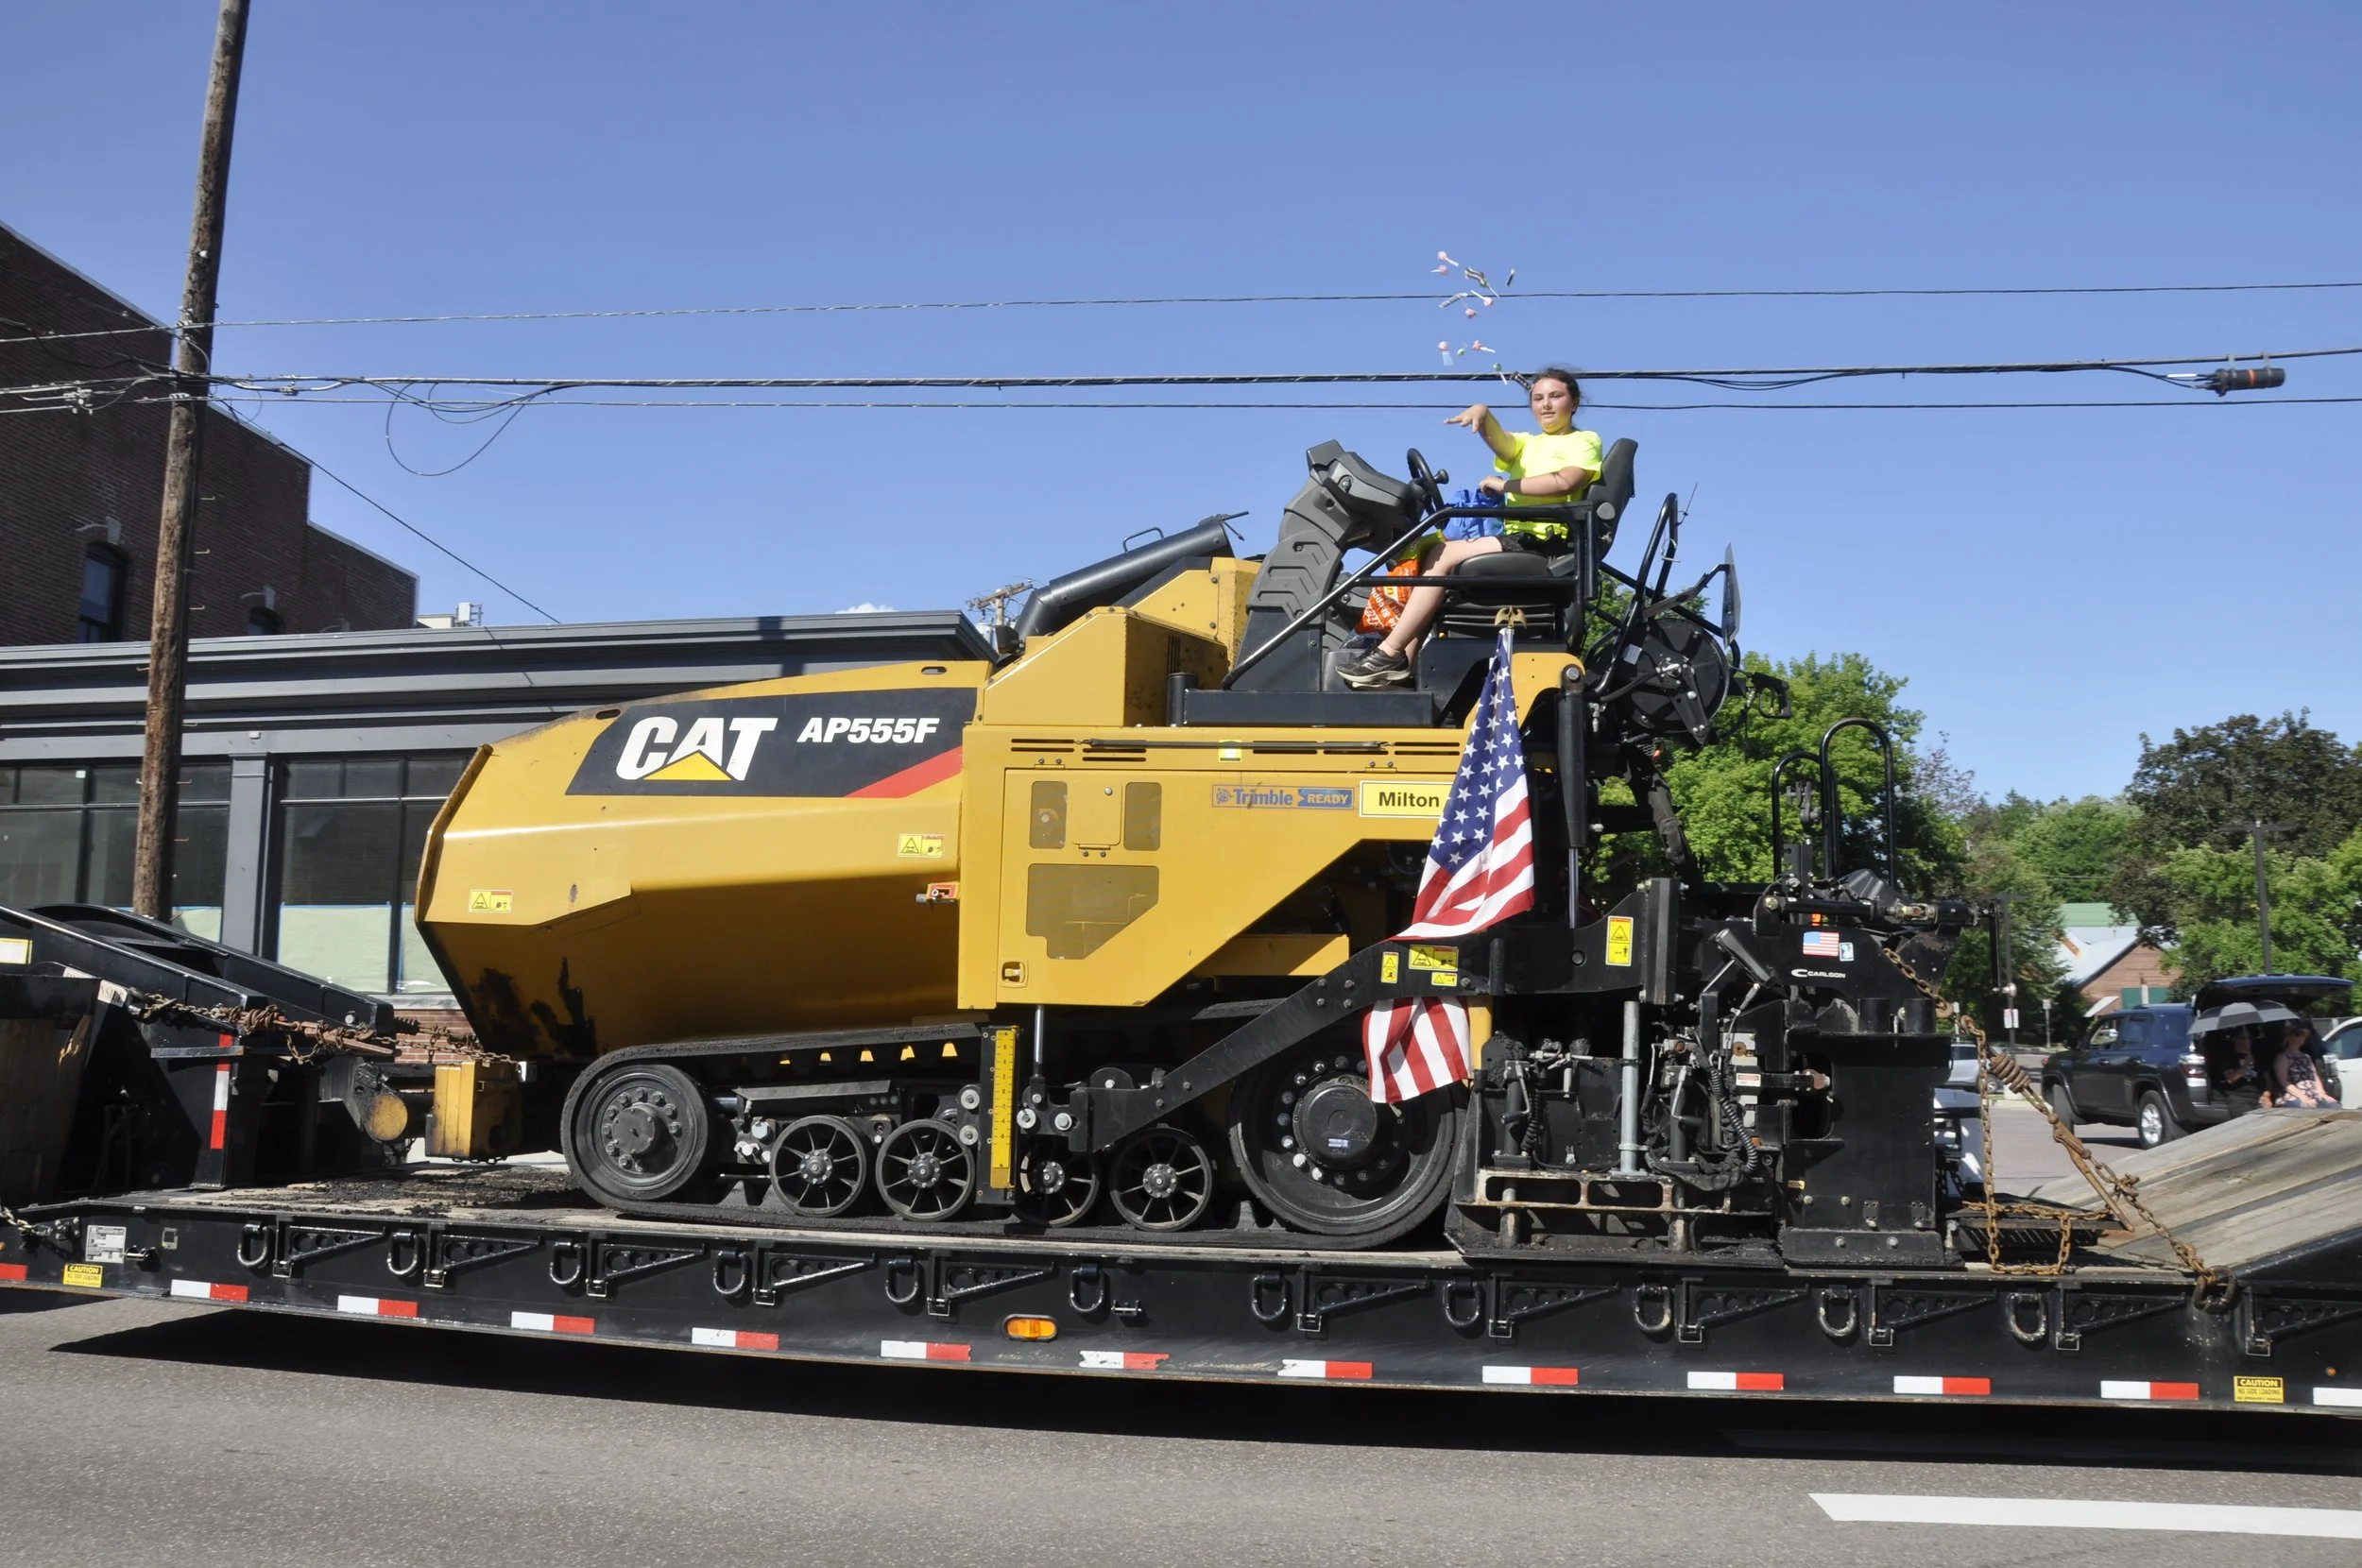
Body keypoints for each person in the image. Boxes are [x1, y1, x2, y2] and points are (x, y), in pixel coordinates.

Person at [1338, 367, 1602, 689]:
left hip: (1546, 541)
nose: (1546, 405)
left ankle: (1392, 652)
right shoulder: (1528, 444)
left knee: (1443, 555)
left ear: (1573, 403)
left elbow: (1565, 482)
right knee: (1423, 554)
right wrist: (1482, 413)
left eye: (1556, 396)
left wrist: (1506, 485)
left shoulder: (1584, 441)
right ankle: (1399, 657)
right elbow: (1502, 441)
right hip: (1518, 537)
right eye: (1538, 398)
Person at [2265, 1019, 2336, 1109]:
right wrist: (2303, 1098)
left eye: (2303, 1036)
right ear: (2289, 1037)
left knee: (2335, 1107)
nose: (2300, 1038)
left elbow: (2315, 1076)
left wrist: (2322, 1093)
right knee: (2308, 1108)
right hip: (2292, 1096)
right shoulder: (2283, 1057)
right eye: (2297, 1035)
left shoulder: (2306, 1056)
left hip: (2313, 1094)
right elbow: (2284, 1082)